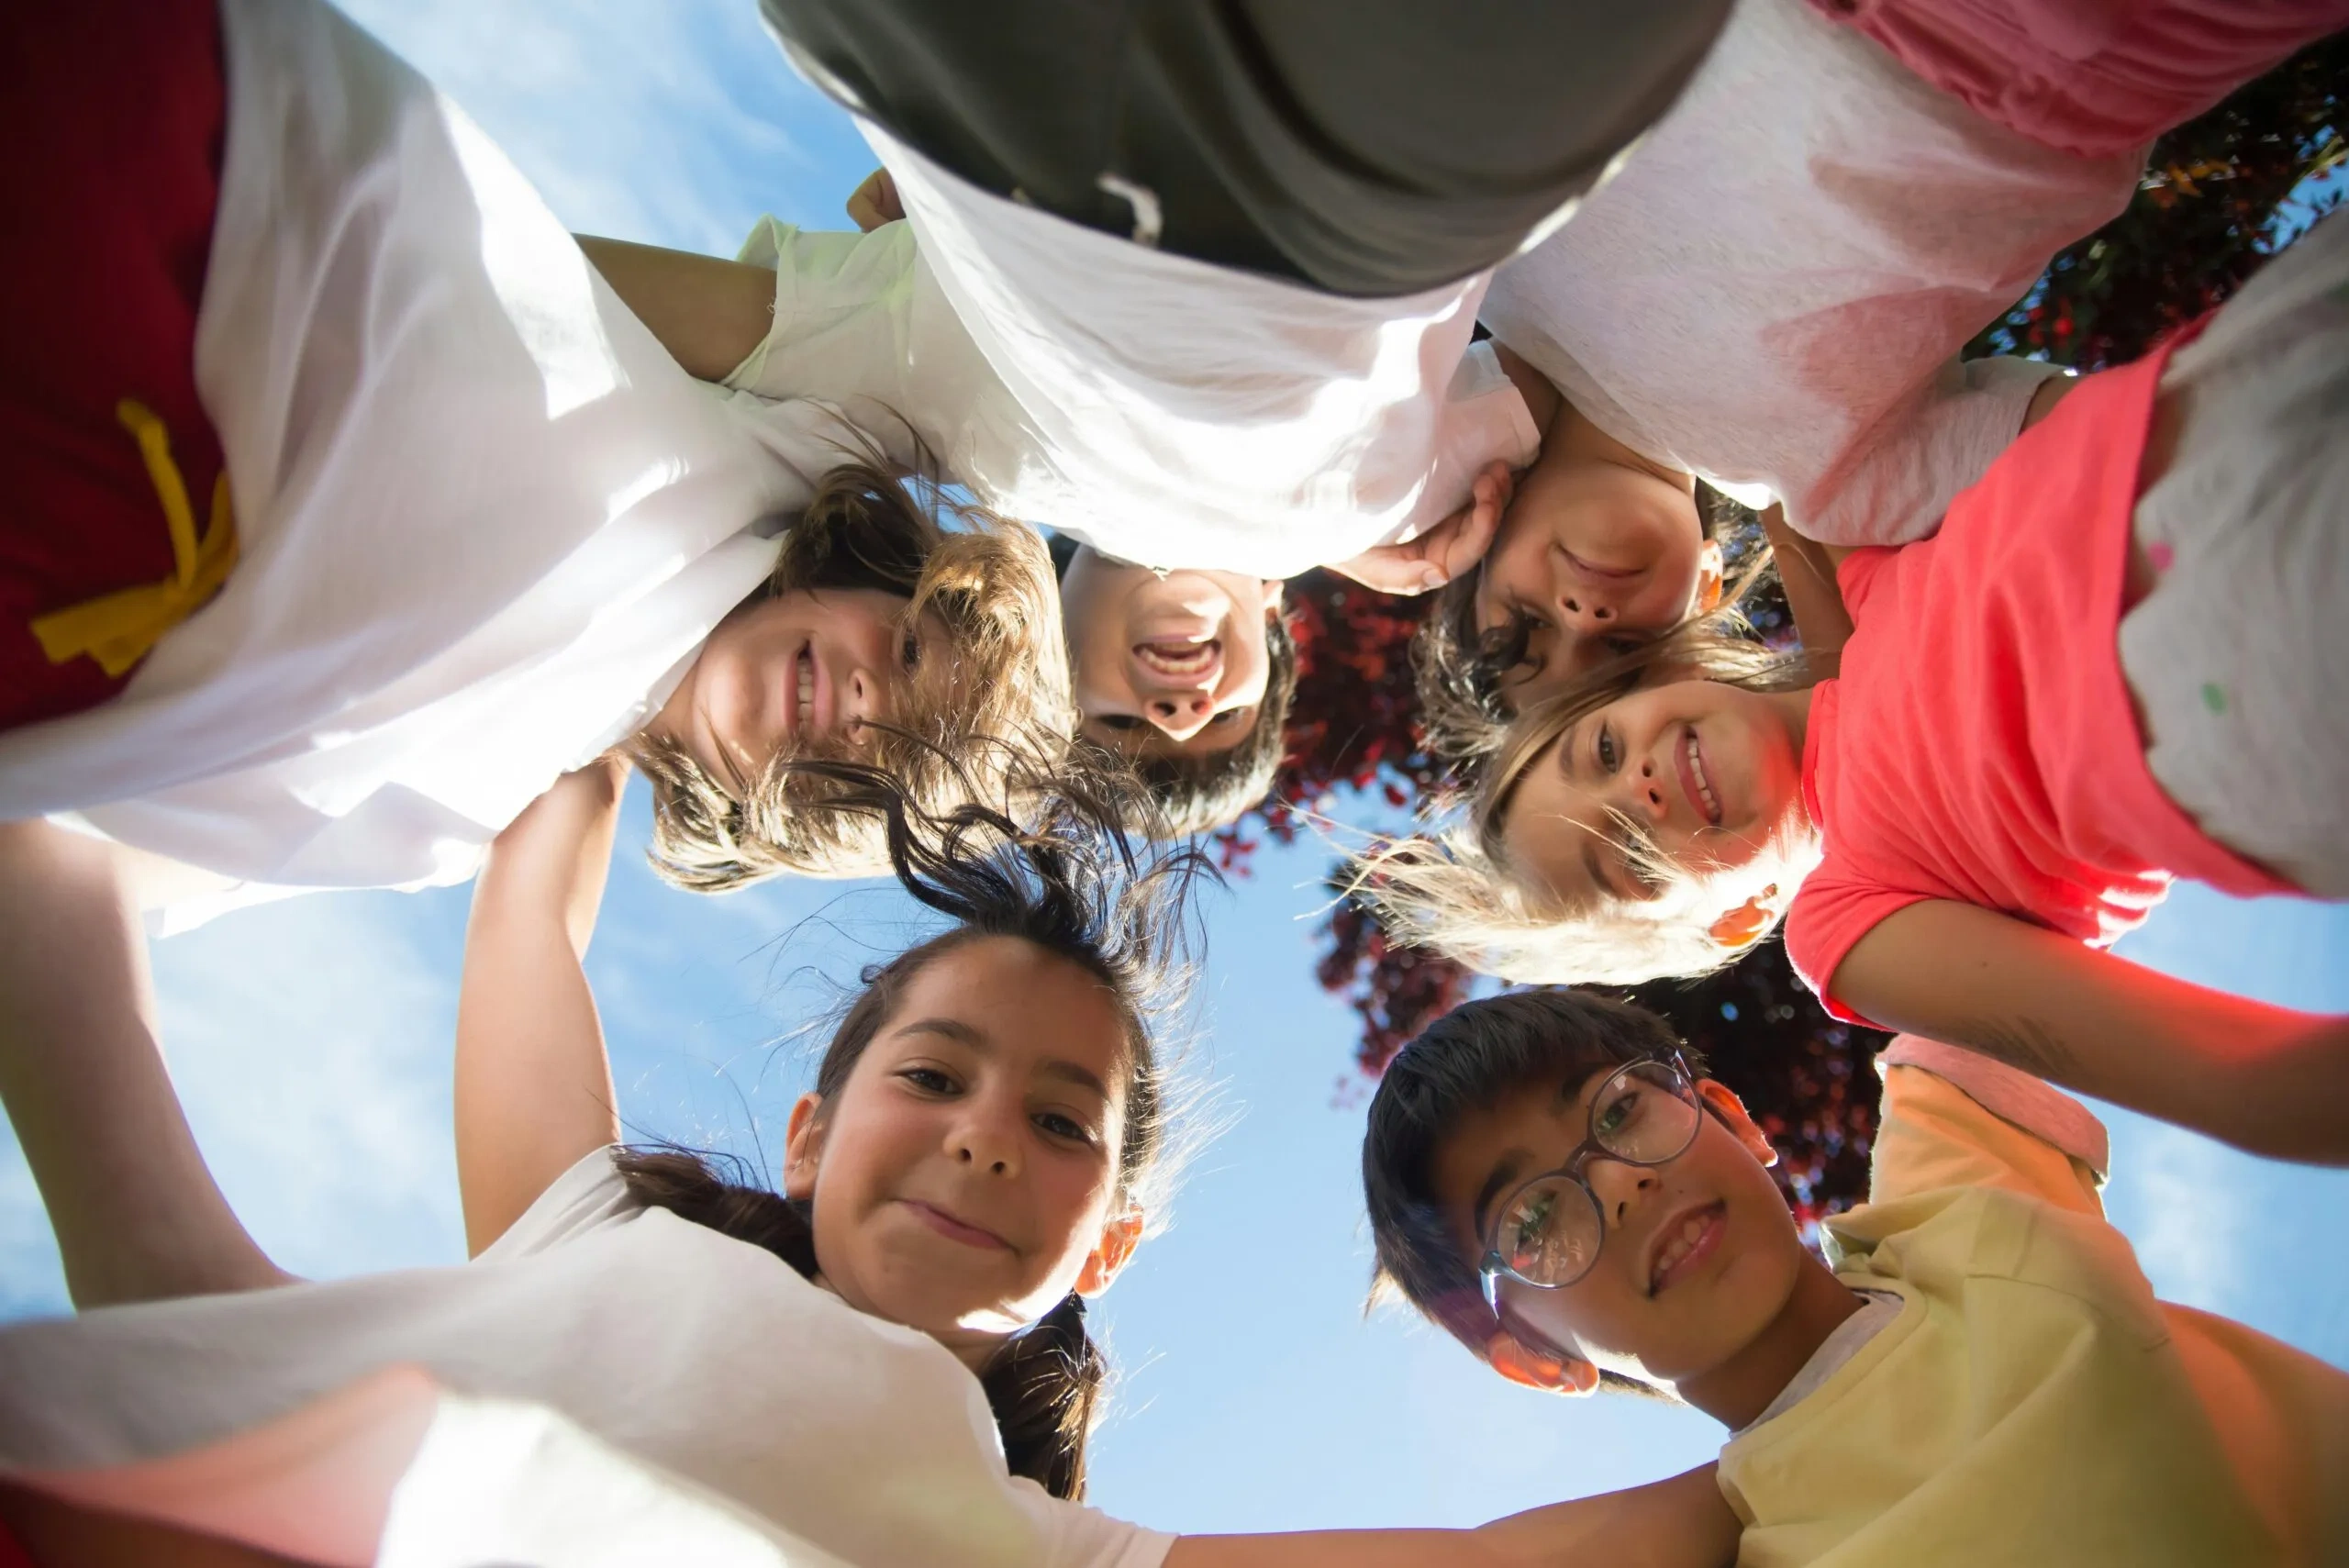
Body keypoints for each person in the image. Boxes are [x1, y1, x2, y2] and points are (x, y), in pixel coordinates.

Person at [0, 777, 1740, 1568]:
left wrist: (1846, 1410)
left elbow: (1537, 1553)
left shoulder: (1031, 1541)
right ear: (814, 1135)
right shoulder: (595, 1224)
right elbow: (532, 897)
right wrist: (627, 703)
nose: (988, 1127)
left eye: (1064, 1120)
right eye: (934, 1073)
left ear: (1106, 1241)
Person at [0, 0, 1071, 925]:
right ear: (876, 584)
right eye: (913, 657)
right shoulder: (788, 442)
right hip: (188, 245)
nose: (862, 699)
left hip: (57, 626)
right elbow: (537, 274)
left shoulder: (465, 827)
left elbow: (83, 873)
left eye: (880, 765)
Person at [1360, 212, 2349, 1164]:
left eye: (1605, 751)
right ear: (1737, 918)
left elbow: (1722, 384)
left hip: (2240, 387)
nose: (1639, 792)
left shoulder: (1855, 558)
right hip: (2237, 682)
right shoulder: (1848, 922)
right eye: (1626, 858)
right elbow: (2236, 1081)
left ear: (1664, 677)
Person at [1412, 0, 2349, 736]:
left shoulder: (1488, 272)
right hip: (2081, 65)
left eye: (1527, 619)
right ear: (1702, 593)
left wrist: (1373, 508)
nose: (1582, 611)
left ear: (1475, 519)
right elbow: (2113, 443)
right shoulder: (1835, 486)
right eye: (1621, 647)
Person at [1361, 988, 2349, 1567]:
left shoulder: (1950, 1184)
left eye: (1620, 1109)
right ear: (1530, 1353)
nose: (1617, 1181)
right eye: (1531, 1218)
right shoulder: (1748, 1537)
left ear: (1733, 1117)